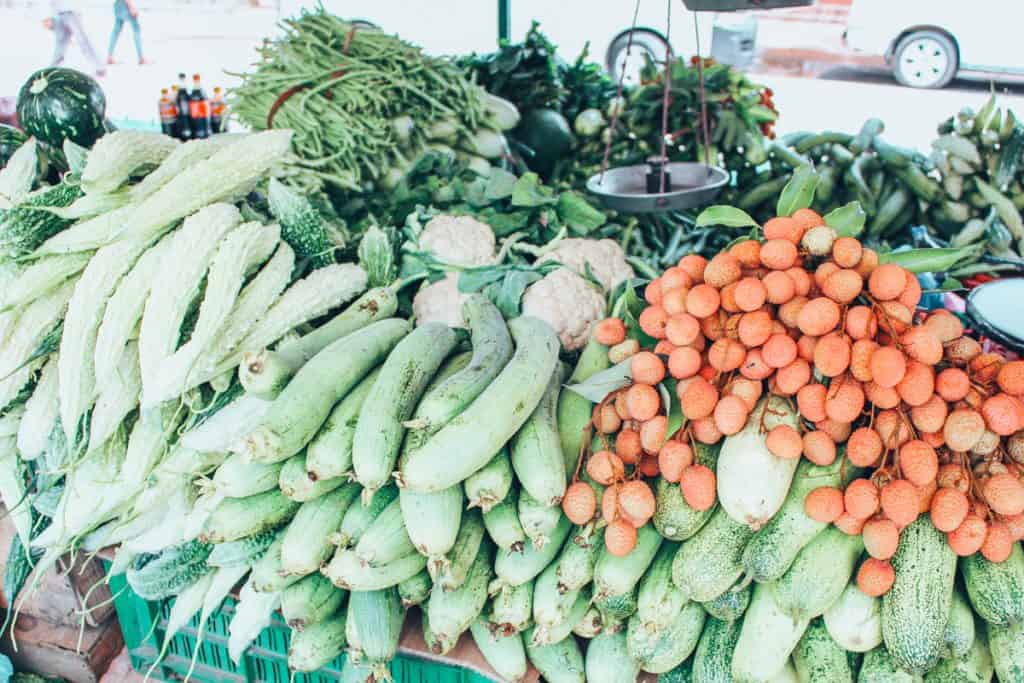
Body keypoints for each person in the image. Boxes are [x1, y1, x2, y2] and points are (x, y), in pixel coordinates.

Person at [44, 0, 106, 77]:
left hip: (70, 10)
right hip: (57, 12)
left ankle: (100, 67)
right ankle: (52, 70)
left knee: (83, 41)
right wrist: (48, 16)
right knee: (60, 44)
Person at [107, 0, 145, 65]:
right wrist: (131, 7)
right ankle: (141, 58)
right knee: (136, 29)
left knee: (116, 31)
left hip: (117, 4)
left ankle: (109, 57)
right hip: (125, 5)